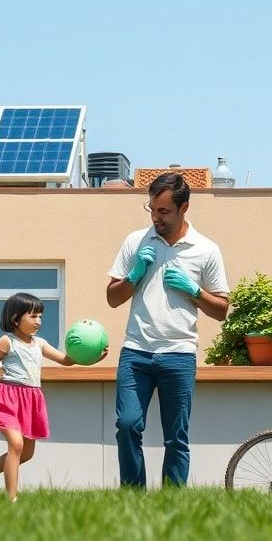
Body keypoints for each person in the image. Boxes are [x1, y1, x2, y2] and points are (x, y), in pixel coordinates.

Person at [107, 172, 229, 487]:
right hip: (136, 352)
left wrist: (195, 291)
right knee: (127, 424)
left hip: (179, 354)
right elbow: (112, 298)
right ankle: (132, 497)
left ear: (183, 207)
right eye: (152, 209)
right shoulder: (136, 241)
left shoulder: (206, 249)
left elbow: (221, 310)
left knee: (176, 437)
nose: (156, 218)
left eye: (163, 212)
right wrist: (134, 275)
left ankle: (171, 503)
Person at [0, 292, 107, 502]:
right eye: (33, 316)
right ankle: (12, 500)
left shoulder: (39, 344)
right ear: (16, 319)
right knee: (16, 445)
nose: (38, 321)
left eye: (40, 316)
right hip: (8, 396)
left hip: (31, 400)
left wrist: (94, 357)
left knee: (26, 453)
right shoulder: (7, 341)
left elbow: (67, 360)